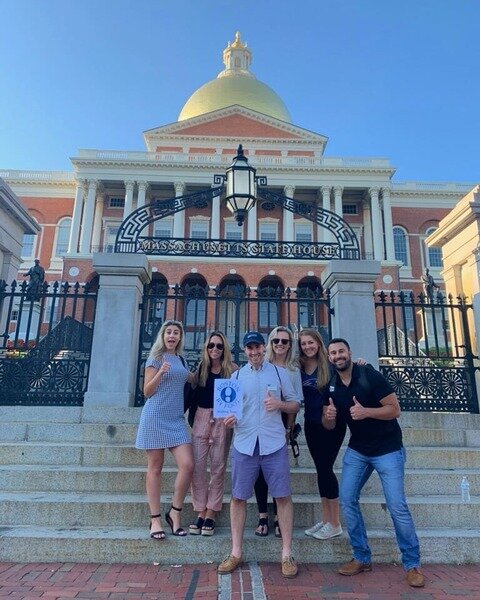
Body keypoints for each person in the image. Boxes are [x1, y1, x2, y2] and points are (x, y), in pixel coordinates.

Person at [322, 338, 425, 588]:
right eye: (333, 353)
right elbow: (330, 425)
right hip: (358, 449)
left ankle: (412, 564)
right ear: (329, 357)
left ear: (350, 352)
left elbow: (394, 409)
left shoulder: (369, 375)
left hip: (388, 448)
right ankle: (361, 556)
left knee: (397, 506)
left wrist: (367, 411)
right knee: (347, 499)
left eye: (341, 351)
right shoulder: (333, 386)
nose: (338, 356)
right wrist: (329, 416)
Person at [218, 331, 301, 579]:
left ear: (265, 348)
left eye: (257, 347)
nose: (254, 352)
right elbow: (227, 413)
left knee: (283, 496)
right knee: (238, 498)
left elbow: (295, 403)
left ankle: (286, 553)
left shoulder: (279, 373)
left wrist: (280, 405)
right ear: (245, 351)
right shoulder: (236, 376)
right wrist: (229, 420)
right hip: (244, 444)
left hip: (273, 443)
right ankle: (236, 551)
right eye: (249, 348)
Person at [135, 320, 196, 540]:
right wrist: (160, 372)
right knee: (155, 468)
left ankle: (175, 513)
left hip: (176, 420)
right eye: (169, 332)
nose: (172, 336)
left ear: (180, 337)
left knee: (188, 465)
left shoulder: (181, 359)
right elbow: (147, 392)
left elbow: (193, 379)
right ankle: (155, 519)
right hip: (155, 417)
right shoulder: (155, 359)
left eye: (176, 333)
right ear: (163, 335)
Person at [253, 326, 303, 538]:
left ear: (290, 345)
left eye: (284, 341)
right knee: (259, 473)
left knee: (276, 473)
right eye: (276, 341)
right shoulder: (263, 365)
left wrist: (288, 428)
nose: (280, 344)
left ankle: (277, 517)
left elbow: (295, 401)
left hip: (280, 421)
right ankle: (263, 514)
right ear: (270, 344)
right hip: (259, 421)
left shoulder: (293, 370)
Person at [189, 331, 239, 536]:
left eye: (219, 346)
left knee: (218, 467)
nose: (215, 349)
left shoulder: (233, 370)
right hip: (201, 417)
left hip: (222, 420)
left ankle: (211, 511)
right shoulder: (201, 369)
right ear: (206, 348)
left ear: (224, 348)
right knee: (198, 467)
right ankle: (200, 509)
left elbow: (239, 397)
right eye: (211, 346)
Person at [298, 328, 346, 540]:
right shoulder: (299, 366)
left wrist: (363, 362)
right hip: (311, 422)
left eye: (311, 342)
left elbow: (350, 371)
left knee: (326, 469)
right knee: (320, 470)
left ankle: (335, 523)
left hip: (332, 423)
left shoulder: (330, 364)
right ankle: (327, 519)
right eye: (304, 344)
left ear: (319, 343)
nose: (308, 347)